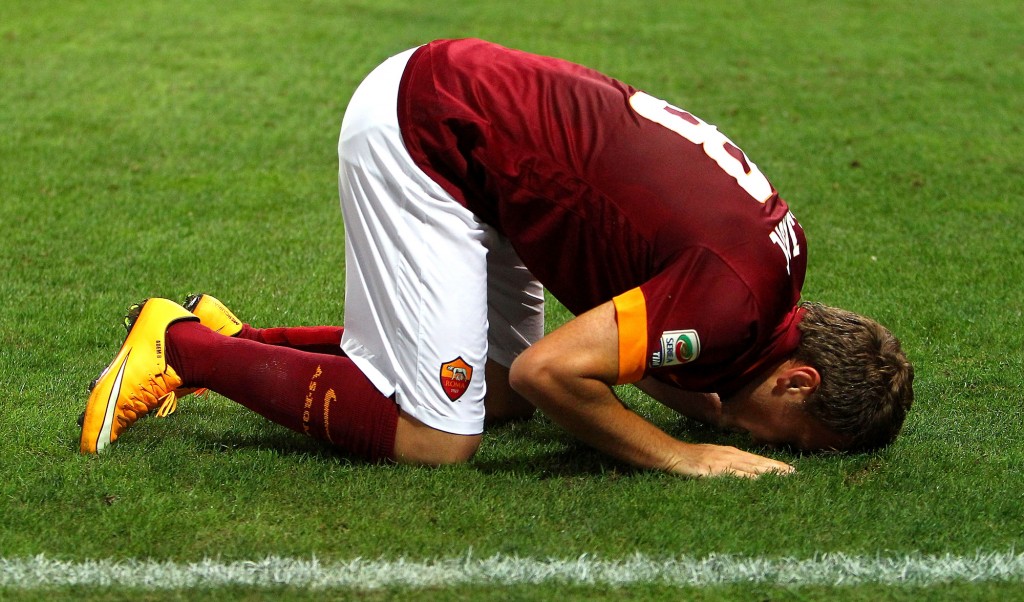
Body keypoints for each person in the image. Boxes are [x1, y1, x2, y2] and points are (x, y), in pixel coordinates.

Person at [79, 38, 914, 477]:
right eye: (794, 441)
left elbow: (639, 363)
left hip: (487, 134)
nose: (774, 450)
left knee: (496, 394)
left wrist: (712, 414)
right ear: (797, 380)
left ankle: (238, 334)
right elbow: (558, 370)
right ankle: (180, 347)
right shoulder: (731, 306)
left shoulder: (775, 278)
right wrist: (681, 454)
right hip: (432, 134)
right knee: (438, 437)